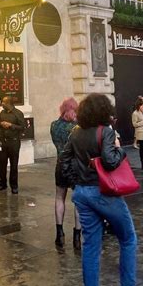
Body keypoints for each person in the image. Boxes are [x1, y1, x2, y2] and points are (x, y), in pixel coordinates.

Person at [60, 93, 143, 286]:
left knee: (91, 245)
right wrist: (120, 149)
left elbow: (63, 161)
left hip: (82, 193)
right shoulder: (107, 132)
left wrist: (77, 182)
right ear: (103, 111)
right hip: (103, 192)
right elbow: (111, 161)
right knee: (128, 238)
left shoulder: (76, 133)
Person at [50, 97, 81, 251]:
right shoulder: (78, 128)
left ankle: (59, 233)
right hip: (75, 167)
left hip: (60, 165)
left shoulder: (54, 126)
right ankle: (77, 237)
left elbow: (57, 144)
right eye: (75, 110)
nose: (76, 114)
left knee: (59, 198)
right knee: (77, 201)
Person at [0, 96, 25, 194]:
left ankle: (14, 186)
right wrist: (0, 123)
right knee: (1, 164)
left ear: (8, 103)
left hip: (14, 142)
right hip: (3, 142)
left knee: (13, 165)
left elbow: (22, 127)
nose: (1, 104)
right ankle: (3, 183)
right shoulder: (2, 113)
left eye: (3, 102)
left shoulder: (18, 113)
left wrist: (11, 125)